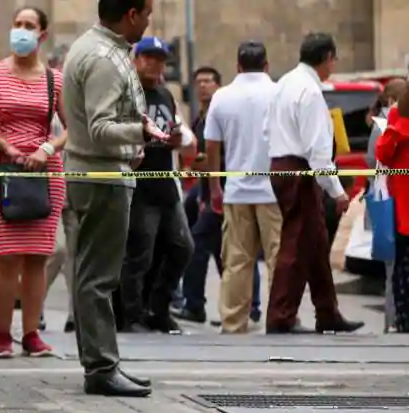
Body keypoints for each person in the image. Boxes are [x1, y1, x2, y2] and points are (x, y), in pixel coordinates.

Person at [63, 0, 165, 396]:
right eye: (148, 14)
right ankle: (101, 367)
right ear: (132, 14)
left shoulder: (101, 48)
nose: (149, 20)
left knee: (95, 274)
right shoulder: (103, 57)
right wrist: (141, 133)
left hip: (102, 173)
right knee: (98, 277)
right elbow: (101, 127)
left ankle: (103, 362)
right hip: (100, 176)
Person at [0, 6, 65, 358]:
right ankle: (2, 334)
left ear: (42, 35)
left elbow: (75, 126)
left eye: (29, 26)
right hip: (0, 171)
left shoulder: (55, 80)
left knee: (38, 256)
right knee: (6, 256)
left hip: (44, 171)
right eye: (17, 25)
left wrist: (46, 147)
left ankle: (32, 333)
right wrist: (0, 142)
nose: (20, 31)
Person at [264, 33, 363, 334]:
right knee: (297, 242)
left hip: (281, 164)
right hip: (299, 169)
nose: (334, 64)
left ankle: (327, 312)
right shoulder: (310, 92)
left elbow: (268, 129)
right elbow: (318, 151)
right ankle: (281, 315)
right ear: (326, 58)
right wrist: (337, 191)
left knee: (315, 240)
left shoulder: (285, 84)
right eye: (333, 59)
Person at [118, 35, 193, 334]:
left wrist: (176, 139)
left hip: (166, 185)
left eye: (160, 59)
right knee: (139, 254)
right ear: (135, 60)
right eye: (148, 57)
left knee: (181, 248)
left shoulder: (165, 93)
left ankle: (158, 308)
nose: (154, 64)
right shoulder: (126, 94)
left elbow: (177, 130)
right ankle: (130, 315)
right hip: (139, 186)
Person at [203, 41, 280, 334]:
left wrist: (214, 187)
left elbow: (212, 145)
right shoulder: (278, 93)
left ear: (237, 66)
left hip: (236, 190)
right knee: (278, 258)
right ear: (266, 66)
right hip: (274, 191)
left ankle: (234, 322)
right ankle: (279, 317)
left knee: (236, 261)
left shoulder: (222, 97)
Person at [366, 78, 407, 333]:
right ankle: (395, 320)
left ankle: (397, 320)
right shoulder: (391, 119)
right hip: (395, 202)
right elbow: (378, 157)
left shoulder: (394, 118)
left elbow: (380, 156)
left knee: (397, 266)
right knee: (396, 266)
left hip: (397, 201)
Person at [42, 46, 77, 333]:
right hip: (50, 184)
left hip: (78, 184)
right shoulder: (47, 101)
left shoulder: (85, 102)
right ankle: (34, 306)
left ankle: (76, 315)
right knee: (57, 249)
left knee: (78, 254)